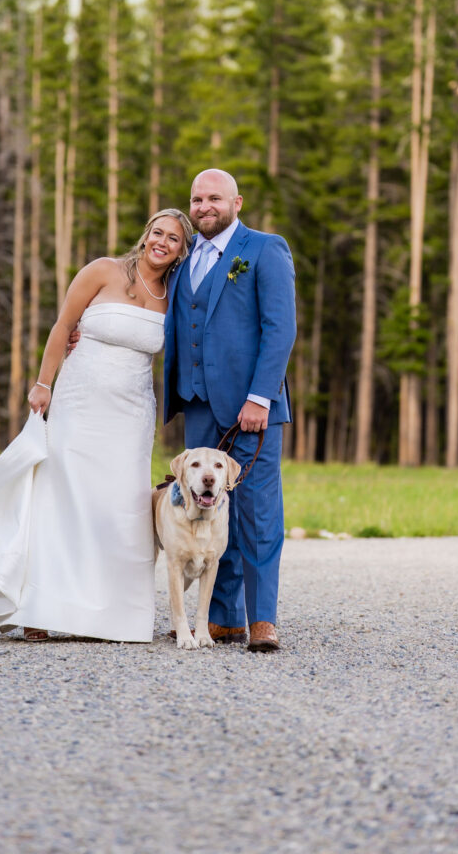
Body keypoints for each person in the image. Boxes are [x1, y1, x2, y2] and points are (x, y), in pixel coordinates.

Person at [0, 209, 193, 642]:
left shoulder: (174, 293)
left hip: (131, 412)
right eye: (158, 232)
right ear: (146, 235)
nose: (163, 242)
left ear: (182, 250)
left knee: (121, 509)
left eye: (174, 239)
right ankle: (40, 610)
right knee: (63, 499)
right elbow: (63, 326)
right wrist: (43, 383)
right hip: (80, 403)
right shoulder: (102, 271)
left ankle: (112, 618)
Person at [163, 169, 296, 653]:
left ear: (236, 202)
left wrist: (261, 396)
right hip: (199, 405)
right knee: (206, 508)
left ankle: (262, 620)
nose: (204, 206)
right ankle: (220, 619)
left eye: (214, 198)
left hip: (251, 408)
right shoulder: (183, 261)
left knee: (258, 513)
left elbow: (280, 327)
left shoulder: (265, 249)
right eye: (197, 198)